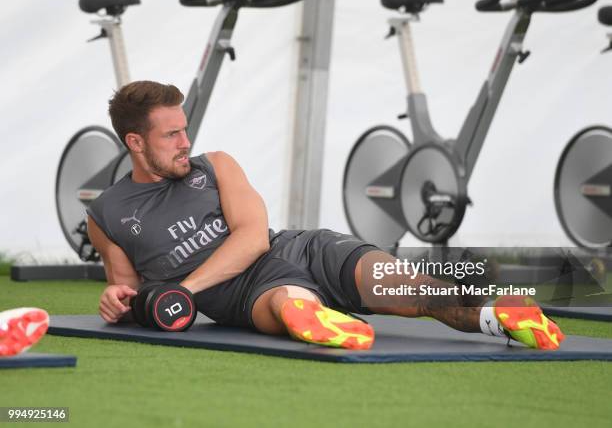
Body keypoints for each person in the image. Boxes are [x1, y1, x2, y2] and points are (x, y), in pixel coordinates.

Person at [88, 81, 564, 351]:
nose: (185, 142)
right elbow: (131, 293)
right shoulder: (108, 212)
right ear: (136, 142)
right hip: (241, 292)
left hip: (298, 247)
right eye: (171, 135)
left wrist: (184, 289)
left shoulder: (216, 165)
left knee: (405, 286)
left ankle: (496, 317)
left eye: (185, 130)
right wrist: (117, 299)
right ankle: (314, 317)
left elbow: (253, 238)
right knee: (288, 302)